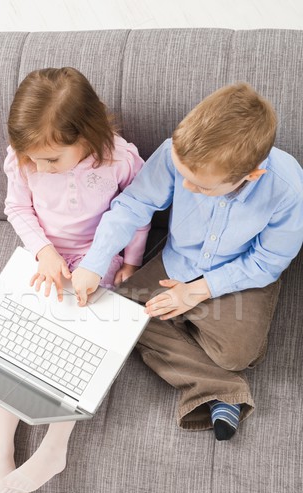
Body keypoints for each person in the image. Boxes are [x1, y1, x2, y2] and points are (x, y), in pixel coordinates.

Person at [72, 82, 303, 442]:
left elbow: (268, 261)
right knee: (117, 314)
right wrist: (94, 262)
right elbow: (134, 206)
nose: (187, 187)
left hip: (238, 274)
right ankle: (222, 391)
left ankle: (210, 359)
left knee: (237, 354)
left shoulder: (287, 187)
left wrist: (197, 293)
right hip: (176, 262)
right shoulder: (172, 152)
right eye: (183, 175)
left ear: (249, 176)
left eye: (201, 186)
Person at [0, 67, 150, 493]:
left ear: (89, 137)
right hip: (47, 258)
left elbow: (137, 213)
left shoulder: (120, 161)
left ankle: (55, 447)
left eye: (52, 160)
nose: (39, 167)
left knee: (82, 337)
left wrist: (131, 263)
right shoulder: (24, 159)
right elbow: (16, 207)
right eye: (32, 158)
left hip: (97, 259)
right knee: (19, 338)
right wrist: (42, 251)